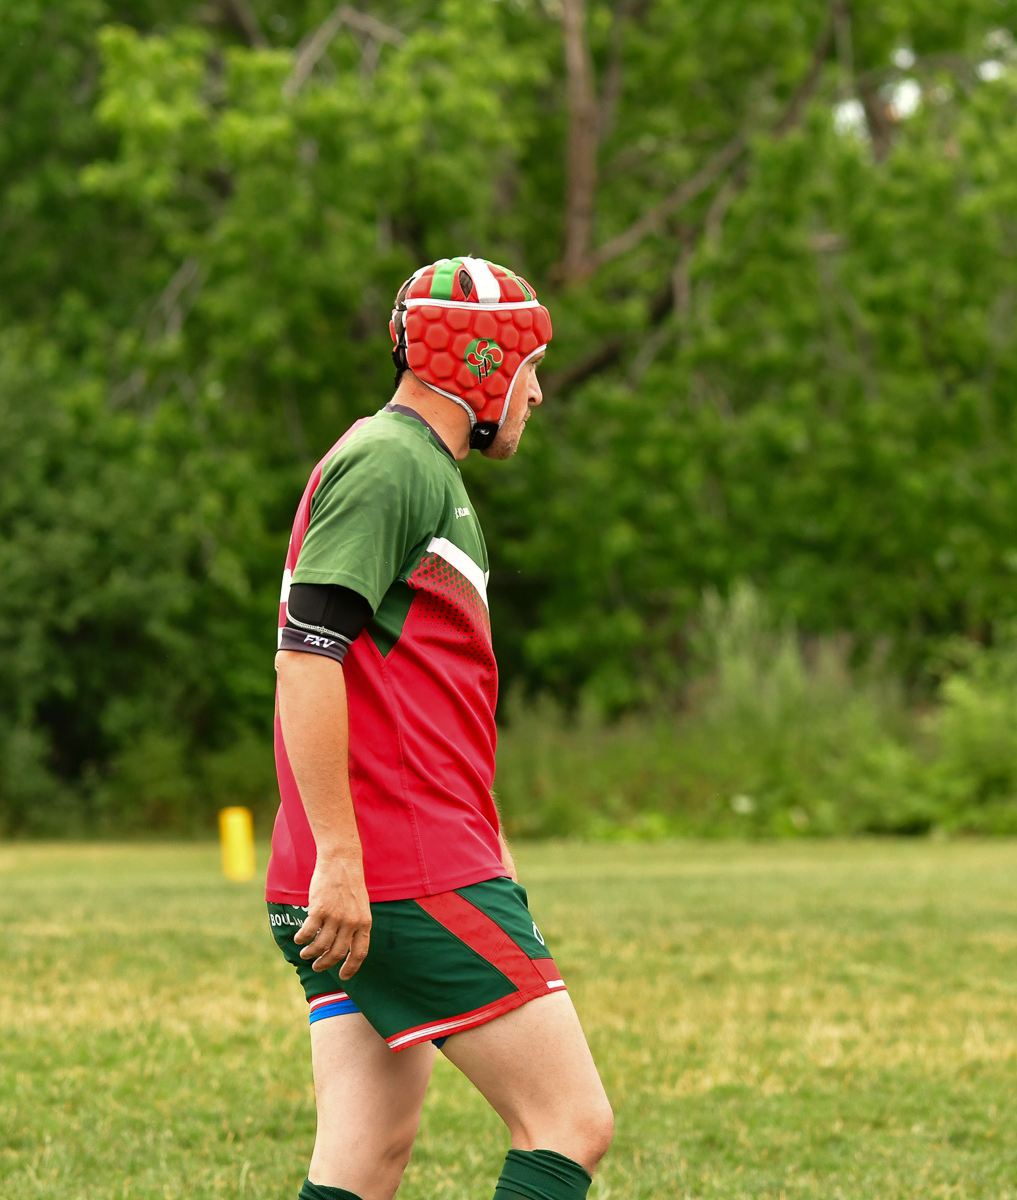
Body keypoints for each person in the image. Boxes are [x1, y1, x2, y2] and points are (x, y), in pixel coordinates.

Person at [267, 257, 613, 1200]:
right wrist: (342, 857)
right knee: (570, 1123)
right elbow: (307, 653)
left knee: (363, 1157)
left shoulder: (419, 470)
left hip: (369, 869)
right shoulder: (391, 463)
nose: (538, 390)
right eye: (529, 364)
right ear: (481, 358)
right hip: (397, 872)